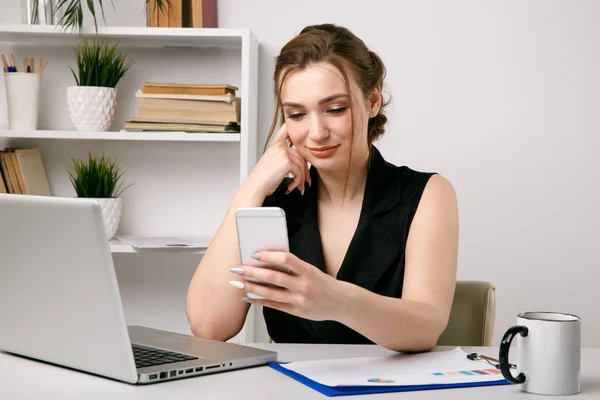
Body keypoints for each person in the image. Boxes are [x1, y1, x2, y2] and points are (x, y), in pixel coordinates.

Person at [186, 23, 458, 352]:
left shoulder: (426, 194)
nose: (316, 132)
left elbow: (426, 327)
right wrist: (251, 187)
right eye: (297, 114)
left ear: (372, 100)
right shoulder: (273, 201)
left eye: (334, 109)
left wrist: (335, 300)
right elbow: (208, 326)